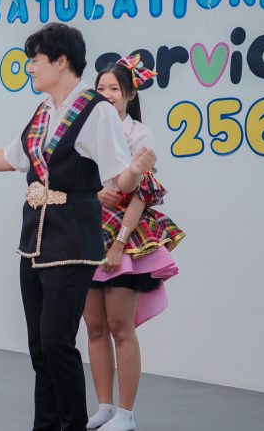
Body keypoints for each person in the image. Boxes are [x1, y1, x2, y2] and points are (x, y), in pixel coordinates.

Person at [0, 24, 156, 431]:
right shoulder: (43, 111)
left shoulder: (97, 111)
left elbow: (120, 179)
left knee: (57, 343)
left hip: (73, 241)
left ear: (61, 61)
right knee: (39, 347)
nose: (30, 67)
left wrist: (137, 171)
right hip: (33, 241)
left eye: (35, 60)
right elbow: (10, 157)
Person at [84, 56, 184, 431]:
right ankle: (104, 407)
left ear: (129, 94)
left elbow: (141, 196)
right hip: (86, 233)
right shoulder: (86, 131)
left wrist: (117, 245)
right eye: (101, 88)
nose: (106, 94)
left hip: (123, 238)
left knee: (120, 327)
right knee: (94, 326)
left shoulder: (139, 135)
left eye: (114, 88)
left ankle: (125, 413)